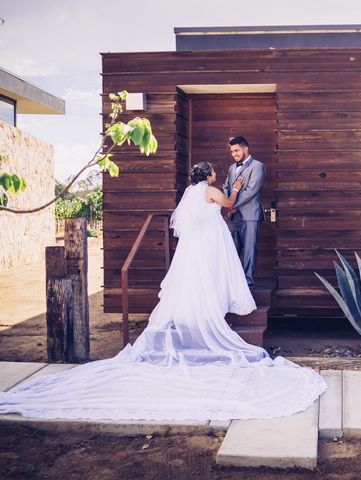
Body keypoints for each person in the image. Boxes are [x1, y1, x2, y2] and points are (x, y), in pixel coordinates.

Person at [0, 162, 326, 422]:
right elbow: (228, 205)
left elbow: (183, 222)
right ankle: (211, 313)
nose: (214, 175)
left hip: (193, 246)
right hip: (210, 242)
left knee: (193, 278)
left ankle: (197, 310)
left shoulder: (188, 193)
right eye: (213, 172)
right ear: (209, 175)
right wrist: (236, 187)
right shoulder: (211, 191)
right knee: (213, 274)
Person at [222, 136, 266, 288]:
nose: (234, 154)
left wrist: (234, 205)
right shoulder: (231, 168)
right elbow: (226, 186)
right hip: (233, 215)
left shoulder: (258, 166)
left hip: (250, 215)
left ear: (245, 149)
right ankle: (232, 282)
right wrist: (227, 203)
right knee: (232, 248)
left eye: (236, 150)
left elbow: (251, 191)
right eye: (232, 151)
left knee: (249, 249)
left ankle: (248, 282)